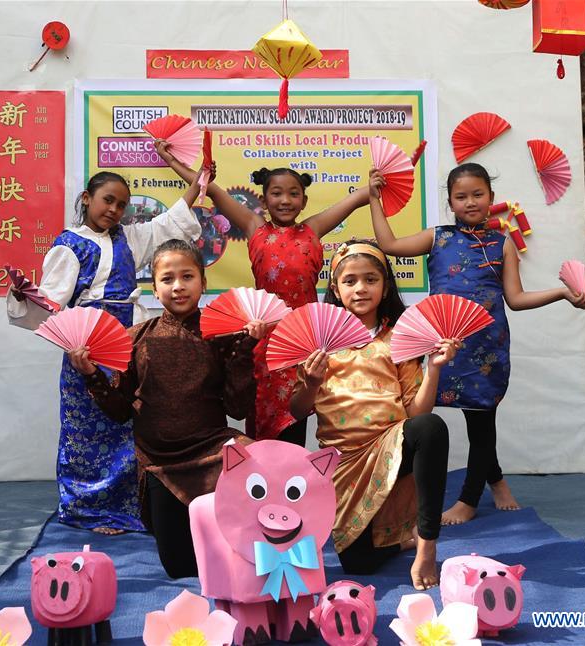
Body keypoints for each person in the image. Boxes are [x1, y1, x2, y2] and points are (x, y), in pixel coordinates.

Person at [368, 162, 585, 525]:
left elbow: (515, 299)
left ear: (491, 198)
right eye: (461, 196)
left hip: (486, 346)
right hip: (445, 344)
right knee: (419, 415)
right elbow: (390, 245)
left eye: (477, 194)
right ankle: (496, 479)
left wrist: (562, 293)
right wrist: (374, 199)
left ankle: (469, 500)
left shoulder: (503, 244)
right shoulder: (437, 237)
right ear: (451, 203)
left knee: (481, 423)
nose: (470, 202)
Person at [7, 171, 204, 534]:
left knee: (127, 423)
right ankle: (88, 508)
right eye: (108, 200)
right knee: (86, 428)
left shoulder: (129, 238)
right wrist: (26, 296)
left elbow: (167, 222)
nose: (114, 210)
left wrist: (199, 182)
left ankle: (128, 506)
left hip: (127, 342)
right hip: (87, 346)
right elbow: (51, 302)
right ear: (87, 198)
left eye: (122, 205)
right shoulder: (69, 245)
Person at [68, 239, 265, 578]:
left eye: (187, 276)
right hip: (160, 462)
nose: (178, 286)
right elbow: (119, 411)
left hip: (212, 451)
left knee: (254, 465)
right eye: (167, 279)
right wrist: (91, 376)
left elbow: (239, 407)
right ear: (154, 291)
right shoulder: (135, 339)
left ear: (203, 283)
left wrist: (245, 350)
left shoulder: (222, 335)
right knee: (179, 567)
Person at [156, 140, 370, 445]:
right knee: (263, 415)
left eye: (293, 194)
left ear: (304, 200)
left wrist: (379, 179)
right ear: (265, 200)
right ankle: (264, 482)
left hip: (305, 339)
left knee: (299, 411)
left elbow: (360, 196)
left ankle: (296, 476)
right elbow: (209, 188)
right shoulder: (255, 227)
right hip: (265, 339)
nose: (285, 200)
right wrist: (172, 160)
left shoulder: (313, 228)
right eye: (277, 193)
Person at [288, 239, 459, 590]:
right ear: (335, 288)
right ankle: (400, 540)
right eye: (350, 281)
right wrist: (311, 382)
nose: (360, 288)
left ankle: (426, 542)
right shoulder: (318, 342)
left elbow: (415, 411)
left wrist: (435, 369)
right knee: (360, 565)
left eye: (370, 279)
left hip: (392, 448)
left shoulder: (400, 339)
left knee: (429, 427)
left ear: (385, 286)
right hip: (344, 462)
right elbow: (297, 410)